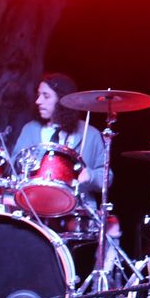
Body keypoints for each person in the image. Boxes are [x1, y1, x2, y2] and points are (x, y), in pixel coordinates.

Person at [13, 72, 109, 217]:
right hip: (34, 208)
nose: (38, 101)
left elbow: (106, 177)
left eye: (46, 96)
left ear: (62, 99)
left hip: (77, 212)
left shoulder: (91, 134)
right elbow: (13, 167)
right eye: (38, 95)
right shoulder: (30, 129)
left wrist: (91, 176)